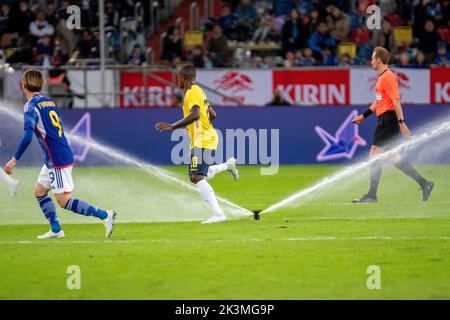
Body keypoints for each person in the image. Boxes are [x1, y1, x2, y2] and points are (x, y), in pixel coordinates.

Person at [3, 69, 117, 239]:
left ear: (23, 85)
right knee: (40, 191)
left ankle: (104, 215)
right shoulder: (49, 102)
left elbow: (27, 135)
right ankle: (56, 229)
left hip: (57, 159)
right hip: (56, 156)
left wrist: (14, 159)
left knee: (63, 201)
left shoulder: (30, 106)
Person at [155, 64, 239, 224]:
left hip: (203, 139)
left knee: (196, 176)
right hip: (206, 136)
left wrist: (173, 126)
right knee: (200, 173)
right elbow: (212, 114)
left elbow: (195, 114)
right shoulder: (200, 91)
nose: (177, 81)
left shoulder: (191, 93)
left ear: (183, 78)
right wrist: (199, 127)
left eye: (178, 78)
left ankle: (218, 214)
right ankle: (228, 165)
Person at [352, 47, 434, 203]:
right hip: (385, 119)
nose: (371, 61)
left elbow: (396, 101)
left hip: (388, 120)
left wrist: (401, 123)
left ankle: (371, 195)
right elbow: (379, 101)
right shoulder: (382, 77)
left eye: (372, 58)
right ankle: (425, 184)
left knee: (374, 154)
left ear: (379, 60)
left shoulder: (388, 77)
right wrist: (364, 115)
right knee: (393, 157)